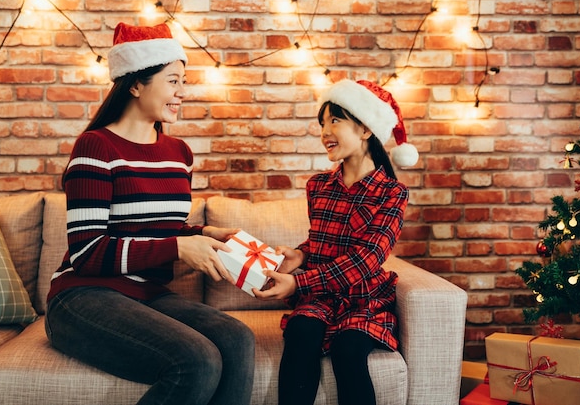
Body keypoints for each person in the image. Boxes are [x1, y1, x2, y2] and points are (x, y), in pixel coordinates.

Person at [45, 22, 255, 405]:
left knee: (238, 338)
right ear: (136, 84)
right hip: (84, 297)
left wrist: (205, 233)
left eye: (184, 81)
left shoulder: (179, 153)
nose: (182, 92)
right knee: (198, 359)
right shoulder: (96, 146)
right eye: (173, 80)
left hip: (147, 293)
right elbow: (87, 253)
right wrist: (179, 247)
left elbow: (162, 228)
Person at [254, 79, 419, 405]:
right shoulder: (318, 186)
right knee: (300, 333)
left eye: (335, 120)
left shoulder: (392, 193)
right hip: (320, 296)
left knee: (348, 350)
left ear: (365, 130)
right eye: (322, 123)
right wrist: (301, 254)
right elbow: (322, 240)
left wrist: (297, 282)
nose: (324, 131)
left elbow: (367, 258)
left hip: (363, 300)